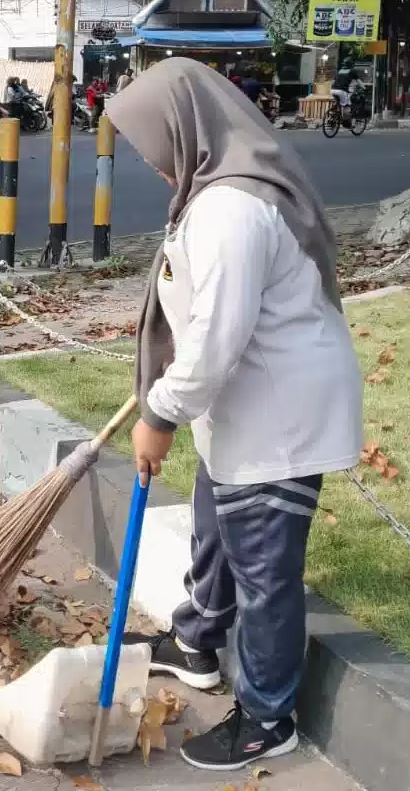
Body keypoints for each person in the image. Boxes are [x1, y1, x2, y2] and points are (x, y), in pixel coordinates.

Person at [106, 58, 362, 772]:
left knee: (263, 571)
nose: (151, 162)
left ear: (185, 130)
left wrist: (160, 411)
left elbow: (217, 337)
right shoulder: (216, 191)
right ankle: (196, 642)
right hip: (245, 407)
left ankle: (267, 716)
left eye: (152, 145)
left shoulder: (231, 210)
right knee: (216, 531)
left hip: (278, 417)